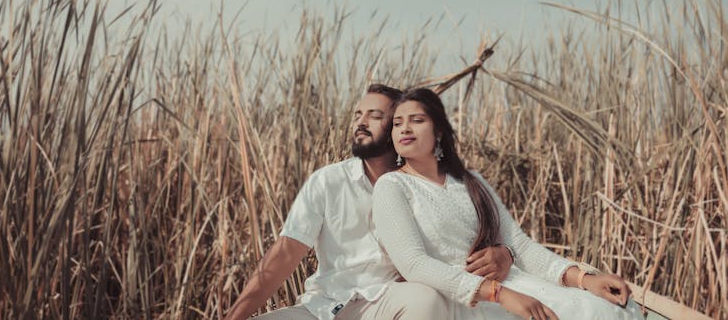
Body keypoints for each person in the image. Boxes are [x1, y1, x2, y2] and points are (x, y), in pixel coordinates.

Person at [227, 84, 514, 320]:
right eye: (358, 115)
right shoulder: (328, 181)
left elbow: (465, 242)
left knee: (425, 300)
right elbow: (286, 254)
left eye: (374, 116)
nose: (361, 123)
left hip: (387, 303)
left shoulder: (425, 186)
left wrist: (505, 253)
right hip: (323, 307)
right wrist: (234, 317)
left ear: (396, 127)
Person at [372, 87, 644, 320]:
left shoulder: (470, 181)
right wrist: (498, 294)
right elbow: (414, 264)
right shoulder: (392, 187)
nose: (404, 129)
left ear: (439, 131)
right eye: (397, 123)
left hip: (515, 284)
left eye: (416, 120)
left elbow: (520, 245)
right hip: (464, 299)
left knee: (597, 308)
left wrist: (585, 279)